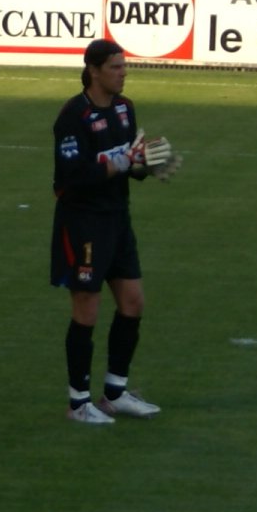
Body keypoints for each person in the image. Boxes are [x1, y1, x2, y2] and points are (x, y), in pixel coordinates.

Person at [50, 39, 178, 424]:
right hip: (83, 223)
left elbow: (129, 164)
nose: (123, 73)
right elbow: (71, 178)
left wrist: (146, 166)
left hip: (118, 219)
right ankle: (78, 403)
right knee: (87, 309)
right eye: (115, 67)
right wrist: (124, 161)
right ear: (93, 71)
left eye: (124, 66)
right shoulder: (73, 116)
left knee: (133, 303)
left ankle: (114, 394)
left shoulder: (124, 108)